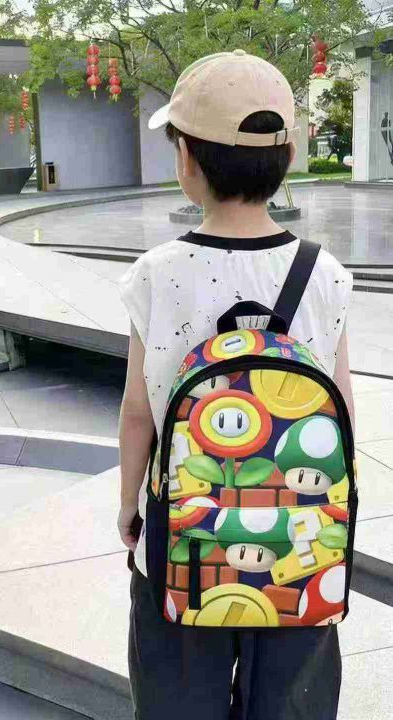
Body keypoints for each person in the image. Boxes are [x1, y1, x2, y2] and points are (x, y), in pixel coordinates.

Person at [117, 50, 354, 720]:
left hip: (182, 536)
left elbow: (138, 412)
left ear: (186, 160)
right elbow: (340, 410)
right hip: (300, 544)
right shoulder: (326, 274)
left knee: (175, 702)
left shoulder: (157, 272)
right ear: (288, 159)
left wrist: (130, 506)